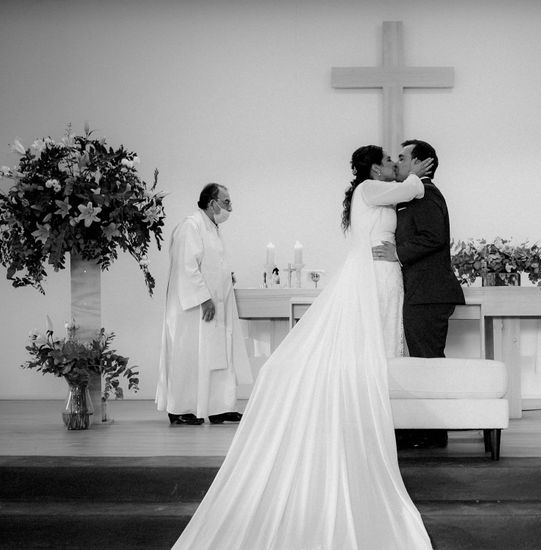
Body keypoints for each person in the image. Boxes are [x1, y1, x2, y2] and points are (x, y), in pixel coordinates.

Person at [171, 146, 435, 550]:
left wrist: (406, 178)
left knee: (384, 340)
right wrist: (414, 173)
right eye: (387, 160)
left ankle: (378, 410)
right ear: (372, 166)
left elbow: (405, 193)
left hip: (384, 271)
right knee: (372, 340)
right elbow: (412, 190)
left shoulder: (373, 190)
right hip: (374, 274)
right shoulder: (368, 188)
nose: (391, 166)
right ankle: (367, 409)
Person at [373, 139, 465, 449]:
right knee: (422, 360)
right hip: (422, 291)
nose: (397, 162)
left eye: (402, 157)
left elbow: (433, 237)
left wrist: (396, 252)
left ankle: (434, 431)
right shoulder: (415, 193)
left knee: (427, 362)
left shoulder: (426, 194)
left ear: (419, 163)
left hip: (429, 291)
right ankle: (423, 426)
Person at [155, 183, 251, 426]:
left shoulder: (211, 227)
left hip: (215, 305)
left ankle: (219, 406)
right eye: (226, 202)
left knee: (218, 355)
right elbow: (186, 267)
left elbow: (211, 264)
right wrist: (204, 299)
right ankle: (181, 408)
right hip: (195, 309)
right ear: (212, 202)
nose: (230, 207)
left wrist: (225, 278)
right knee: (189, 354)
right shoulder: (191, 226)